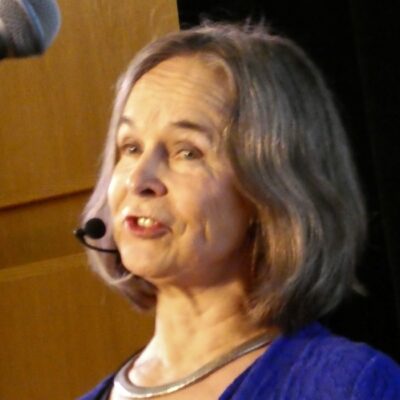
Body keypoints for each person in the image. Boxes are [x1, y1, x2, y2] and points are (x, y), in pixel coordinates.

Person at [78, 22, 400, 399]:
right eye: (131, 147)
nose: (139, 179)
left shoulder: (348, 385)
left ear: (272, 191)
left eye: (188, 152)